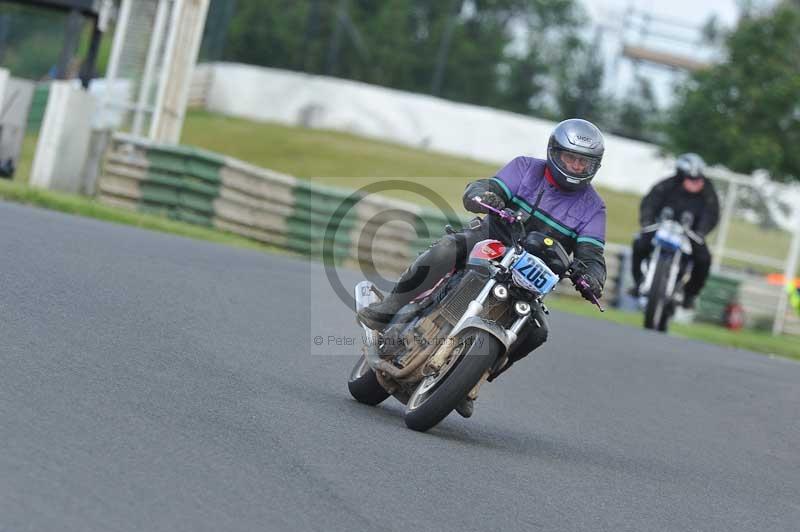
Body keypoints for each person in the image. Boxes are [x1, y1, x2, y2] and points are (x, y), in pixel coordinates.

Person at [357, 118, 608, 415]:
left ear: (594, 166)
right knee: (447, 249)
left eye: (583, 162)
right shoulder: (525, 168)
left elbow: (593, 254)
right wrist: (486, 196)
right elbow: (486, 187)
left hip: (532, 274)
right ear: (554, 153)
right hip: (492, 238)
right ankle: (390, 307)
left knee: (538, 332)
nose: (576, 166)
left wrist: (592, 277)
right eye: (570, 158)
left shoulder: (594, 207)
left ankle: (472, 377)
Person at [631, 153, 720, 309]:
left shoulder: (708, 191)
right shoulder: (666, 185)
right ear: (680, 176)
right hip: (662, 227)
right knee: (639, 244)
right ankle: (638, 282)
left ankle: (690, 294)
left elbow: (712, 213)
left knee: (704, 259)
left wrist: (701, 231)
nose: (695, 182)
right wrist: (647, 221)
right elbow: (650, 202)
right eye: (690, 178)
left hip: (690, 234)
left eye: (697, 178)